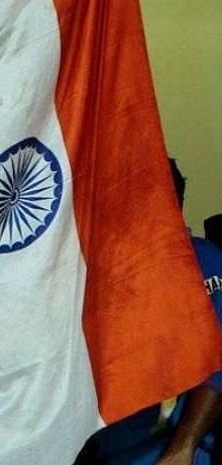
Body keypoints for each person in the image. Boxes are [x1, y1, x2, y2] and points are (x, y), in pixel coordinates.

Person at [82, 159, 222, 465]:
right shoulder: (97, 277)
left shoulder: (205, 263)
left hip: (179, 452)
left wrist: (183, 447)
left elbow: (218, 367)